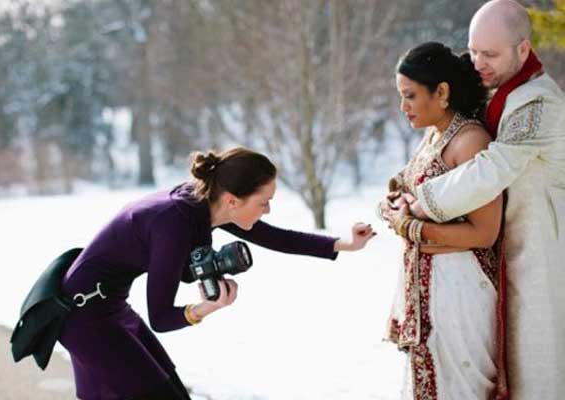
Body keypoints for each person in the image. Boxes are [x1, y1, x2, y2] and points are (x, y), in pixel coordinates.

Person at [58, 147, 376, 400]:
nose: (268, 210)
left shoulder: (204, 203)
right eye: (264, 203)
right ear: (233, 200)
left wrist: (346, 244)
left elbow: (277, 237)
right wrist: (206, 308)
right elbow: (161, 316)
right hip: (85, 316)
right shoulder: (175, 223)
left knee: (168, 388)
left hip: (106, 307)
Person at [385, 1, 565, 398]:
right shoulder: (495, 90)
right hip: (495, 260)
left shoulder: (539, 101)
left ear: (522, 49)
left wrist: (418, 207)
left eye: (491, 53)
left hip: (536, 255)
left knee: (536, 375)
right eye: (474, 50)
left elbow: (491, 167)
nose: (479, 61)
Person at [381, 42, 503, 399]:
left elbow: (484, 233)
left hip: (459, 292)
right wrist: (393, 204)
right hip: (427, 289)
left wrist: (410, 227)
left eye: (410, 96)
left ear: (442, 92)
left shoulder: (470, 143)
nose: (403, 107)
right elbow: (403, 189)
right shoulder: (433, 136)